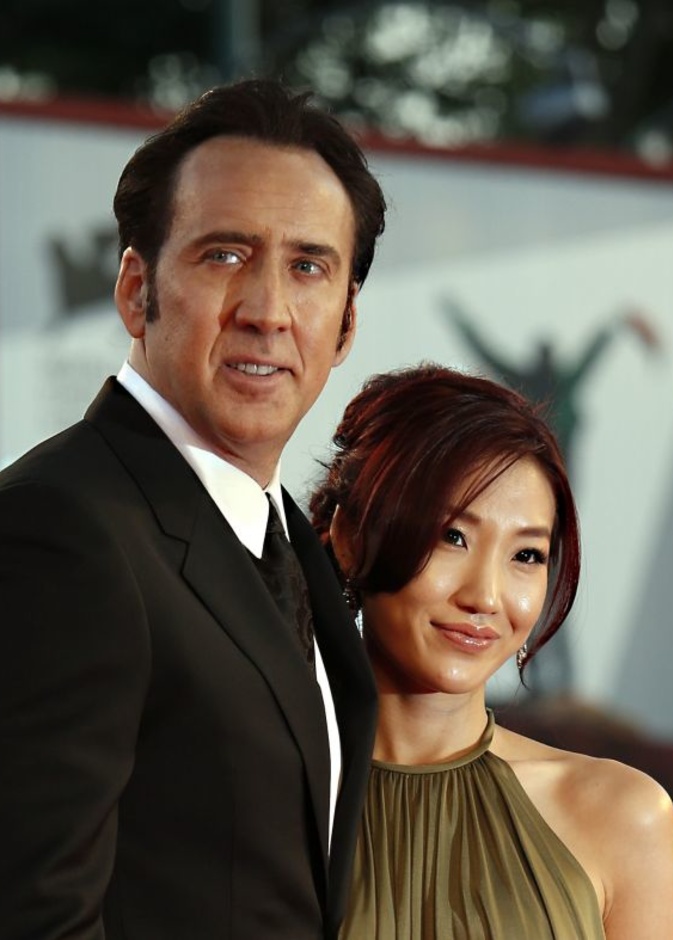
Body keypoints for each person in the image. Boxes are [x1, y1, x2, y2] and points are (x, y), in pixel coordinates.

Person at [0, 79, 386, 940]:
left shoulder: (289, 540)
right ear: (136, 290)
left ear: (345, 324)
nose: (267, 312)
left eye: (307, 266)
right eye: (225, 255)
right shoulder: (59, 530)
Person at [310, 363, 673, 939]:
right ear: (351, 538)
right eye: (451, 537)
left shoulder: (623, 817)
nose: (485, 596)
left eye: (526, 555)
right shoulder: (263, 796)